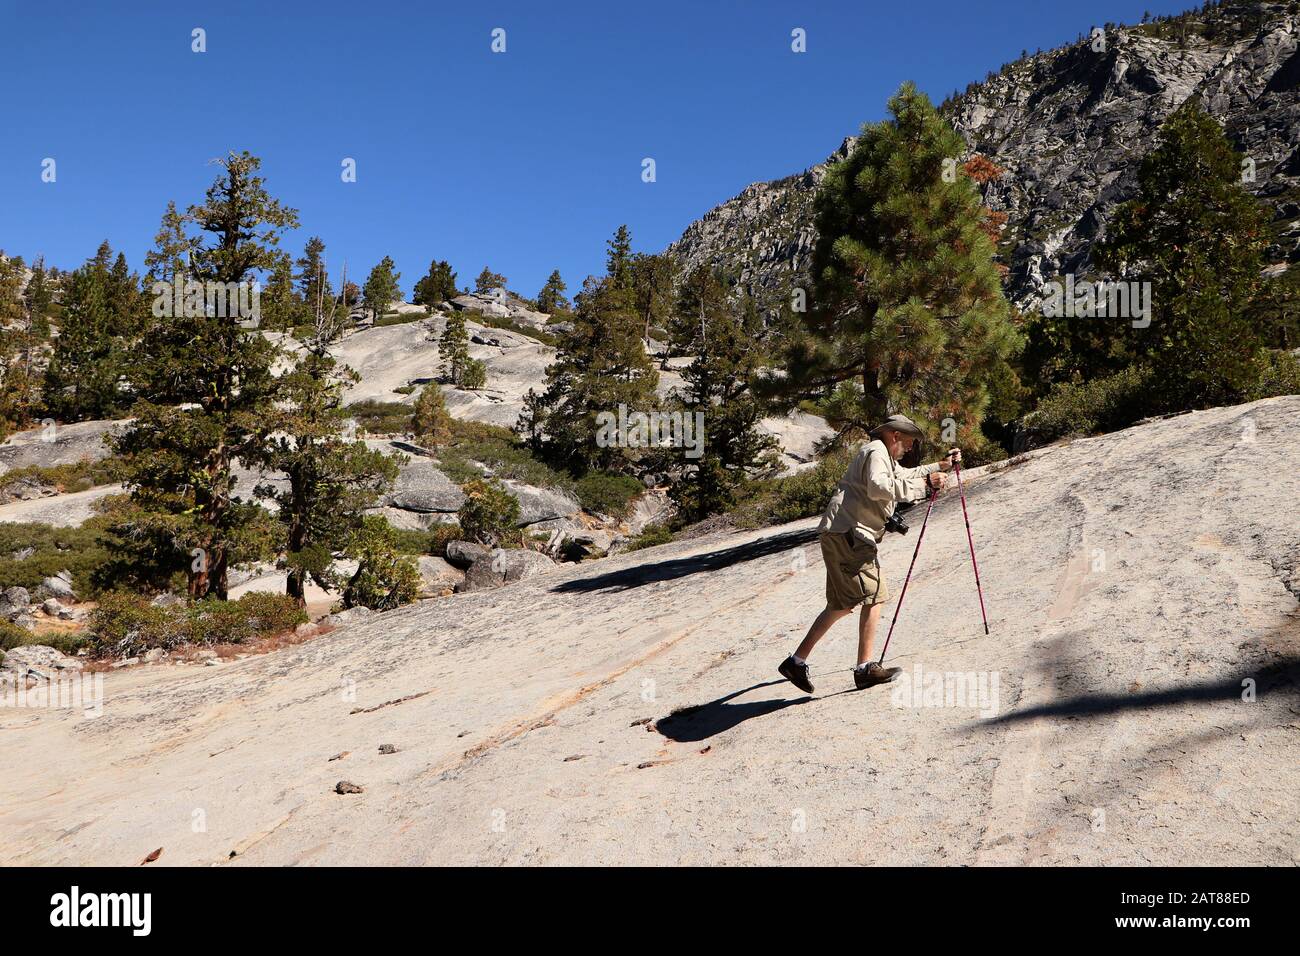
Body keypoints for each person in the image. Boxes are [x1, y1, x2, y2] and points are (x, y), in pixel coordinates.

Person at [778, 414, 961, 693]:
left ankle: (795, 662)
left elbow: (901, 476)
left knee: (840, 605)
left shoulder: (882, 455)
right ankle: (864, 670)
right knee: (876, 595)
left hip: (841, 532)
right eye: (909, 442)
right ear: (895, 436)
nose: (910, 448)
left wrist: (939, 467)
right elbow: (878, 488)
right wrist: (926, 484)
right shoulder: (876, 450)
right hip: (851, 534)